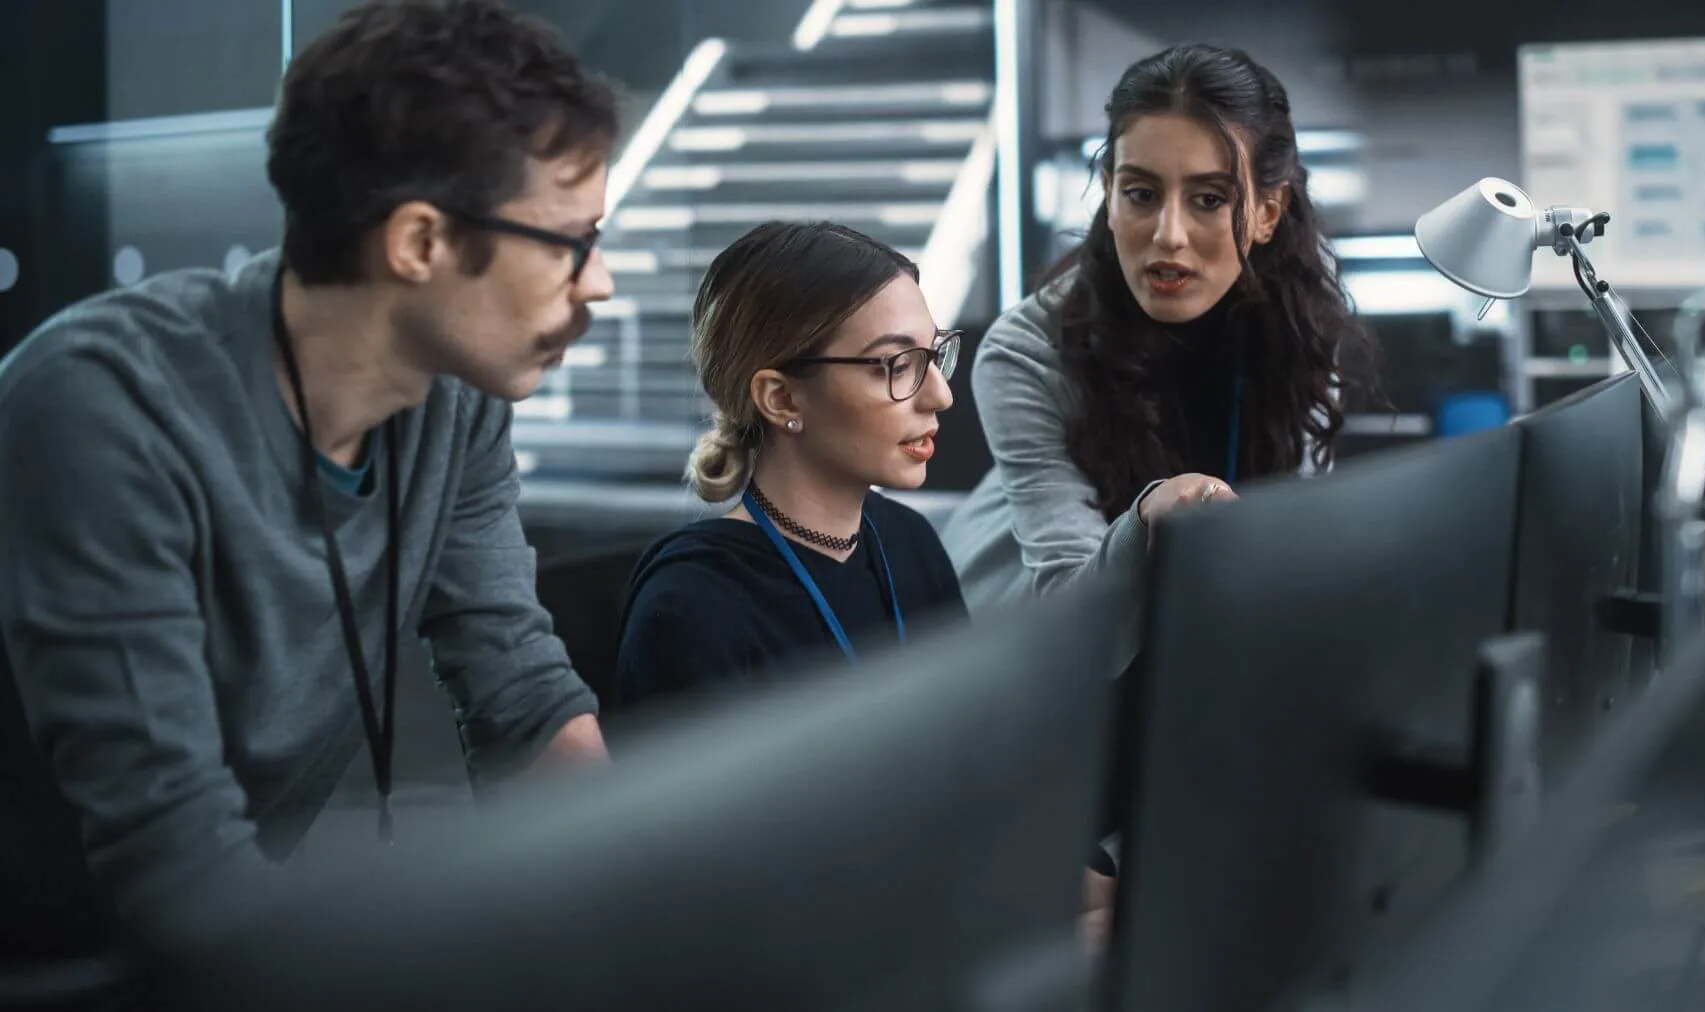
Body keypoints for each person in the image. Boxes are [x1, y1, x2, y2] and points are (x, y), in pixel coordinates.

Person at [0, 0, 617, 991]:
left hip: (226, 944)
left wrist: (652, 903)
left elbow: (522, 690)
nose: (602, 284)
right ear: (419, 242)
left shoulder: (454, 401)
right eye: (569, 242)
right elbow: (175, 858)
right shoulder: (102, 403)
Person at [940, 44, 1377, 612]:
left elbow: (1289, 560)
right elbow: (1073, 603)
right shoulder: (1027, 351)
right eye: (1142, 194)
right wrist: (1147, 521)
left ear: (1268, 212)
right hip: (1015, 637)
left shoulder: (1301, 333)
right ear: (1108, 189)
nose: (1169, 235)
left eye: (1209, 199)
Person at [614, 222, 966, 708]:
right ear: (780, 398)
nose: (940, 396)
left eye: (933, 355)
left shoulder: (912, 542)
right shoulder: (691, 608)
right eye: (896, 365)